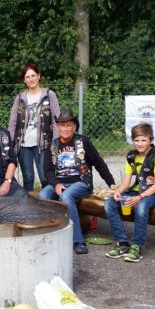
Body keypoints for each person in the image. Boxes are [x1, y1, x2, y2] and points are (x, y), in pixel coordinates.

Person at [40, 109, 114, 255]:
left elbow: (98, 163)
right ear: (58, 127)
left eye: (69, 125)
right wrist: (56, 184)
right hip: (59, 182)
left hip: (80, 182)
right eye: (62, 125)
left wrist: (111, 183)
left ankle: (78, 240)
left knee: (66, 196)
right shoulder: (52, 145)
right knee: (43, 196)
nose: (66, 129)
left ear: (74, 127)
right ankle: (49, 235)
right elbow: (47, 171)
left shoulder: (83, 141)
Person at [104, 123, 155, 262]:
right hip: (137, 192)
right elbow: (126, 182)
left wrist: (140, 197)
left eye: (143, 140)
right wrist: (118, 192)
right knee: (109, 203)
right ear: (133, 141)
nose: (140, 144)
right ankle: (123, 243)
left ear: (151, 140)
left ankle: (137, 246)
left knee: (141, 206)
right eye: (136, 140)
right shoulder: (131, 156)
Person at [8, 62, 61, 191]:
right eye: (27, 77)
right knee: (28, 178)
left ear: (38, 76)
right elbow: (13, 123)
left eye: (33, 75)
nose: (31, 79)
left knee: (45, 177)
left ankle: (47, 201)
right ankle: (28, 203)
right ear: (24, 80)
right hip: (23, 145)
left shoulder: (49, 95)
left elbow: (56, 121)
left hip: (44, 144)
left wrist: (55, 142)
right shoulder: (20, 98)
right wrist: (9, 144)